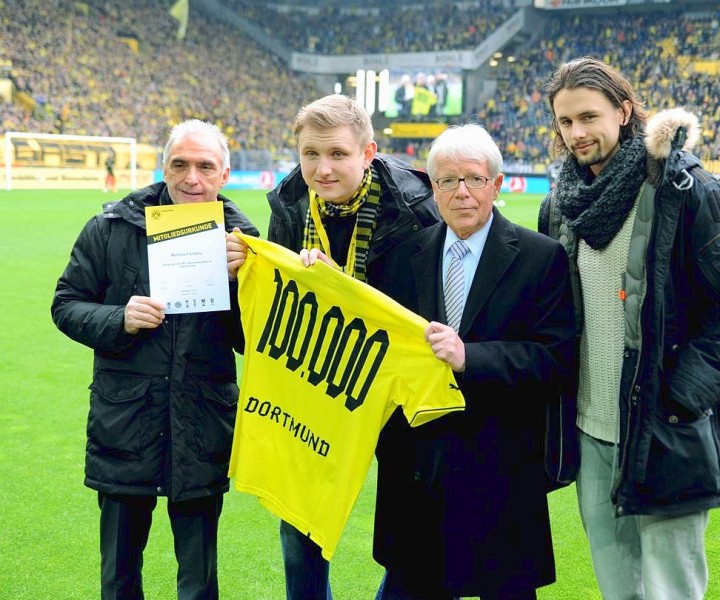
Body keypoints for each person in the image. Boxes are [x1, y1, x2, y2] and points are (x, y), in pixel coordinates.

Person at [538, 57, 720, 600]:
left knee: (672, 590)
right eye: (565, 122)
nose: (576, 134)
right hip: (591, 432)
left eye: (588, 117)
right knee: (618, 589)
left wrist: (680, 397)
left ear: (623, 111)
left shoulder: (685, 192)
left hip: (665, 428)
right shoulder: (559, 207)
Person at [226, 93, 440, 600]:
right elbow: (264, 320)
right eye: (311, 155)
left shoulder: (415, 207)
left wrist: (343, 284)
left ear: (368, 153)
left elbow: (437, 300)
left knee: (409, 528)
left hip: (387, 385)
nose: (322, 170)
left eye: (338, 154)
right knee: (300, 525)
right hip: (317, 381)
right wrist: (243, 274)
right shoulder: (289, 202)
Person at [52, 119, 259, 599]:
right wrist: (118, 319)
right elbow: (66, 304)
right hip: (125, 423)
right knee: (119, 576)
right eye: (180, 164)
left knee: (198, 579)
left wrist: (242, 284)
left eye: (205, 166)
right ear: (162, 167)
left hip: (202, 424)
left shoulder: (246, 245)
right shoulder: (111, 227)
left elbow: (257, 340)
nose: (192, 178)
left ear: (224, 174)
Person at [371, 123, 577, 599]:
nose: (461, 192)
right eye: (447, 180)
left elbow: (555, 360)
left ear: (496, 184)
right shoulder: (401, 258)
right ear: (433, 187)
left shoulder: (541, 258)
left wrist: (472, 359)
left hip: (500, 476)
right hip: (417, 477)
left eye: (473, 179)